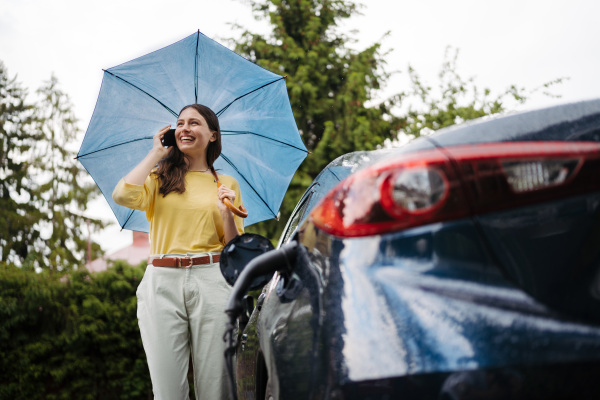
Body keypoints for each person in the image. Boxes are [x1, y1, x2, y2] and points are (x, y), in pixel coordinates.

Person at [112, 104, 244, 400]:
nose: (185, 128)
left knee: (217, 387)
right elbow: (122, 194)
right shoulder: (159, 178)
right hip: (162, 280)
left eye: (194, 123)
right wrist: (155, 154)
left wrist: (226, 212)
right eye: (180, 123)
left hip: (212, 280)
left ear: (212, 135)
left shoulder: (227, 184)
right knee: (168, 390)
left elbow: (233, 248)